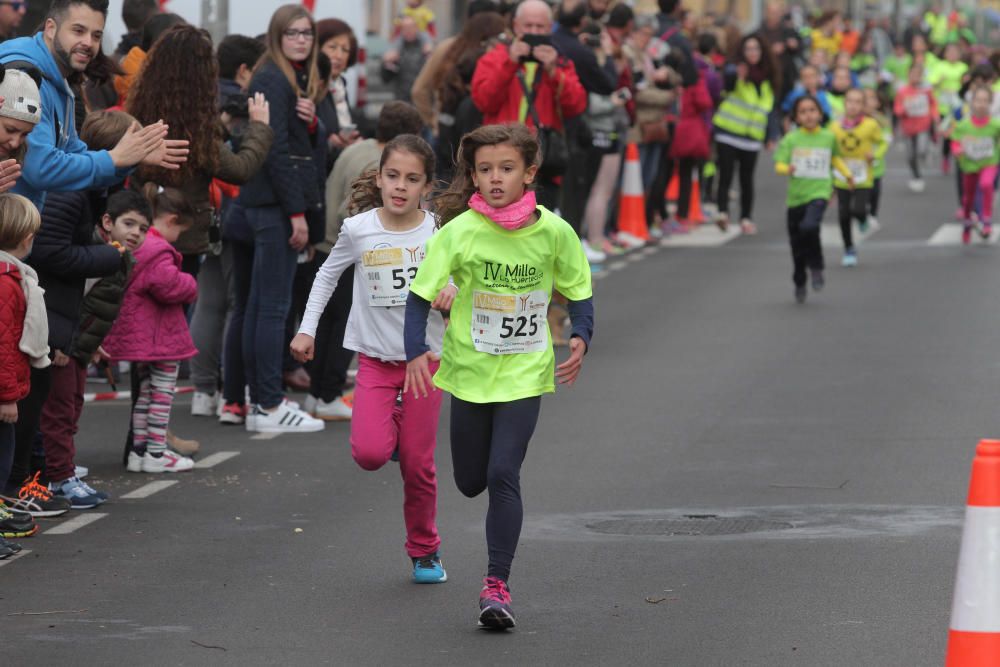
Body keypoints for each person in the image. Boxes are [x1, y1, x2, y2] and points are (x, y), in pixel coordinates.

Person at [404, 124, 594, 630]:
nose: (493, 178)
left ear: (529, 173)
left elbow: (578, 290)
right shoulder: (459, 231)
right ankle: (490, 549)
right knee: (469, 482)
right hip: (468, 372)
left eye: (506, 169)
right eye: (484, 169)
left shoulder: (554, 231)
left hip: (524, 372)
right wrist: (414, 353)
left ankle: (496, 586)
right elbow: (420, 295)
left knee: (502, 474)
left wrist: (582, 335)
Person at [292, 134, 452, 583]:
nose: (401, 186)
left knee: (419, 465)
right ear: (379, 178)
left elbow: (460, 280)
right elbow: (325, 277)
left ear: (426, 186)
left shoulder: (438, 230)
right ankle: (396, 424)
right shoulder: (358, 229)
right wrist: (307, 329)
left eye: (412, 179)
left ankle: (425, 551)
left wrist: (451, 292)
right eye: (393, 176)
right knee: (369, 453)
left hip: (426, 363)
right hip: (377, 362)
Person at [125, 25, 274, 419]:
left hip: (141, 232)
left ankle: (147, 432)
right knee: (168, 341)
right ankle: (156, 434)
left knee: (148, 337)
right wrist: (259, 126)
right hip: (182, 238)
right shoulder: (196, 127)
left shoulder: (141, 111)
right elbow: (240, 168)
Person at [29, 110, 138, 508]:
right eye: (134, 144)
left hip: (63, 317)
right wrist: (107, 256)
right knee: (53, 407)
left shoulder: (90, 190)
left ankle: (56, 472)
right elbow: (49, 254)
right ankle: (53, 478)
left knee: (66, 403)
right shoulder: (71, 190)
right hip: (50, 314)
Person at [299, 101, 424, 422]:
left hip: (327, 240)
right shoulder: (373, 161)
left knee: (328, 324)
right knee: (346, 324)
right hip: (357, 250)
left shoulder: (358, 149)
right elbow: (349, 209)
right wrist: (377, 235)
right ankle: (327, 393)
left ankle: (316, 395)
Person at [238, 3, 326, 434]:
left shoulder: (284, 75)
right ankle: (270, 405)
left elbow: (292, 141)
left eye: (307, 33)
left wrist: (311, 127)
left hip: (268, 203)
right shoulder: (273, 76)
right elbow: (274, 150)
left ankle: (262, 403)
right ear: (277, 35)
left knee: (261, 306)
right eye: (292, 33)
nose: (301, 40)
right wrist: (297, 212)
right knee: (271, 308)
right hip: (274, 205)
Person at [102, 185, 197, 474]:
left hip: (142, 337)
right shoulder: (158, 250)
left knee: (144, 394)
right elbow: (167, 285)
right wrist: (191, 283)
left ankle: (139, 450)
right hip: (161, 337)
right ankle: (156, 452)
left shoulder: (142, 247)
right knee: (162, 394)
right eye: (180, 231)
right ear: (171, 221)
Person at [470, 0, 587, 210]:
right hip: (499, 160)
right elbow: (483, 101)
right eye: (528, 26)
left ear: (550, 28)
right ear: (516, 26)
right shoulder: (496, 57)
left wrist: (553, 72)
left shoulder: (560, 62)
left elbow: (576, 105)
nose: (534, 31)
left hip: (542, 165)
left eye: (540, 27)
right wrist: (510, 62)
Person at [0, 193, 47, 549]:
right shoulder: (6, 283)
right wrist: (7, 397)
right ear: (26, 236)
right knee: (2, 462)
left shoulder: (13, 278)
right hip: (4, 392)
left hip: (10, 386)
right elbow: (2, 346)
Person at [774, 95, 851, 303]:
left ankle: (816, 266)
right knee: (797, 245)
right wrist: (786, 168)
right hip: (796, 197)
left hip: (820, 191)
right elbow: (779, 164)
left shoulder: (828, 137)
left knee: (810, 226)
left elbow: (835, 158)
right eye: (803, 112)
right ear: (796, 118)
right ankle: (800, 279)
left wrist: (847, 174)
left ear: (820, 113)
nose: (808, 115)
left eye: (812, 110)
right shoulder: (791, 139)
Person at [423, 11, 505, 183]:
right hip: (461, 170)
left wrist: (433, 123)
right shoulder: (471, 103)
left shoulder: (453, 53)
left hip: (445, 154)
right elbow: (419, 89)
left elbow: (421, 89)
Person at [712, 33, 779, 235]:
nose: (752, 53)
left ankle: (746, 218)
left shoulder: (767, 79)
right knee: (725, 174)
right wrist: (736, 75)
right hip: (728, 132)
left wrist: (770, 136)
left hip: (751, 138)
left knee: (746, 179)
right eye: (748, 49)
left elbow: (769, 111)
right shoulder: (736, 71)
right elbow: (727, 81)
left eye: (756, 49)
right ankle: (722, 213)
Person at [830, 88, 886, 267]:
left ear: (863, 106)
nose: (853, 106)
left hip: (863, 176)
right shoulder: (834, 126)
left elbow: (883, 142)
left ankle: (863, 219)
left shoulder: (870, 124)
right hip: (842, 176)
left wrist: (875, 155)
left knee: (859, 209)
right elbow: (829, 148)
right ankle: (849, 248)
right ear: (844, 103)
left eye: (857, 102)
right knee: (843, 213)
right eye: (850, 101)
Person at [950, 86, 1000, 244]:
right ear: (972, 102)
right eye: (978, 100)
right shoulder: (964, 125)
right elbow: (955, 141)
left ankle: (986, 220)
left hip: (989, 162)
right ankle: (967, 222)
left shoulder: (995, 125)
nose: (982, 104)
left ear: (990, 103)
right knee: (968, 198)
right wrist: (957, 150)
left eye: (986, 101)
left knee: (986, 184)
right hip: (970, 165)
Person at [316, 18, 361, 170]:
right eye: (332, 47)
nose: (339, 55)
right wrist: (330, 143)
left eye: (345, 49)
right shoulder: (313, 86)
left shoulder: (341, 85)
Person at [894, 63, 938, 193]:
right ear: (908, 75)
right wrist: (904, 110)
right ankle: (916, 176)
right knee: (910, 155)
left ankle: (927, 151)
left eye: (918, 75)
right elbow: (897, 109)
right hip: (908, 129)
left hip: (923, 126)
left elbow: (933, 104)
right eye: (912, 74)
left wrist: (934, 116)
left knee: (921, 150)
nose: (915, 77)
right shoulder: (902, 91)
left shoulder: (926, 90)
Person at [863, 87, 890, 229]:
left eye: (872, 98)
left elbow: (886, 140)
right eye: (865, 98)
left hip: (876, 164)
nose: (868, 102)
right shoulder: (854, 119)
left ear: (878, 102)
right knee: (861, 193)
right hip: (858, 165)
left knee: (875, 191)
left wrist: (876, 155)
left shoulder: (882, 121)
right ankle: (862, 214)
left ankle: (873, 214)